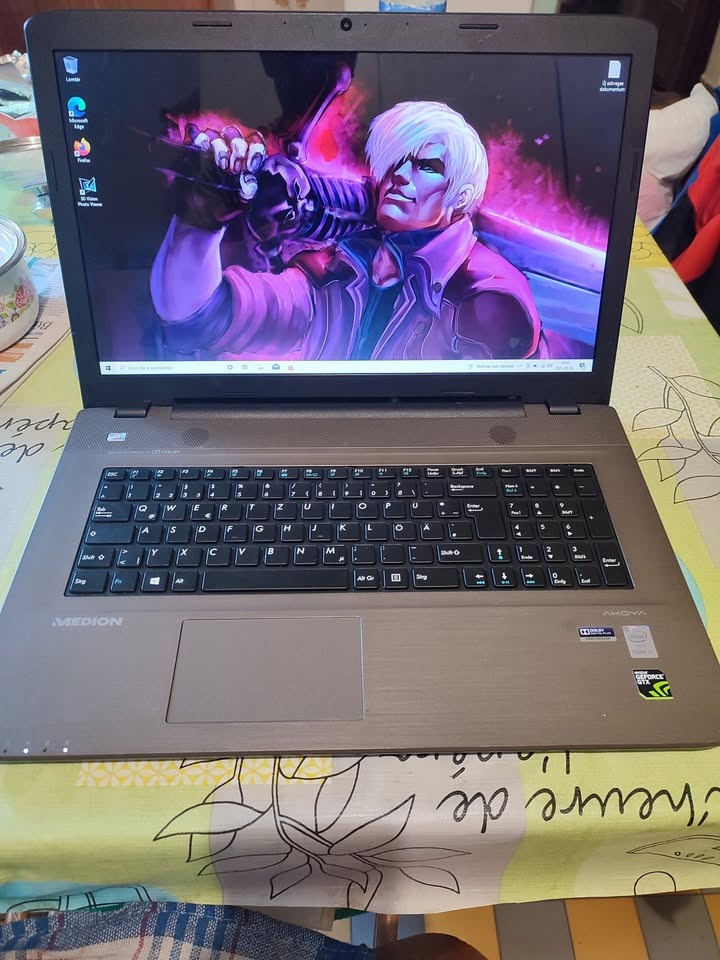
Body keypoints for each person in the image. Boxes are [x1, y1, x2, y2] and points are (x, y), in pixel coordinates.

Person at [151, 100, 541, 363]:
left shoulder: (483, 296)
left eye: (427, 167)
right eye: (394, 161)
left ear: (463, 195)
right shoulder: (339, 271)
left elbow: (497, 422)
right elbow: (197, 317)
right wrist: (199, 225)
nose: (399, 175)